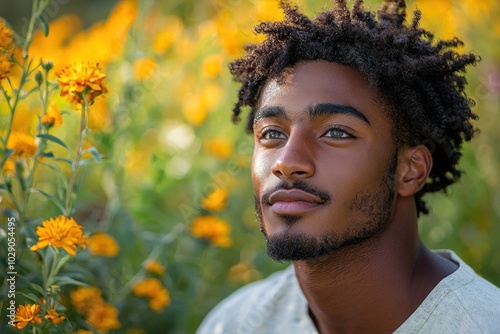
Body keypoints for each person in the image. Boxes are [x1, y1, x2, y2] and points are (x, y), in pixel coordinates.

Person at [197, 0, 500, 333]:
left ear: (410, 170)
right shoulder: (235, 324)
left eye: (336, 132)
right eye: (271, 134)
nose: (286, 162)